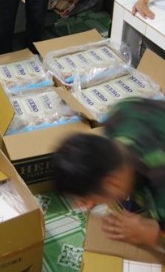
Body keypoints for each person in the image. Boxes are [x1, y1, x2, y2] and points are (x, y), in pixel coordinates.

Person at [52, 98, 165, 251]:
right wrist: (93, 189)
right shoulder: (120, 116)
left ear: (112, 183)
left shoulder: (160, 187)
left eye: (91, 198)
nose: (88, 204)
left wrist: (151, 236)